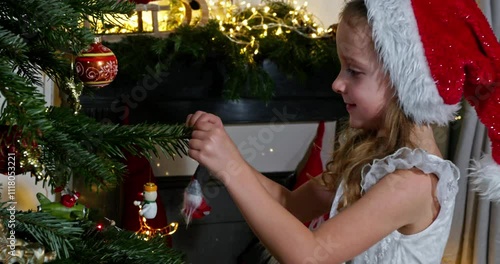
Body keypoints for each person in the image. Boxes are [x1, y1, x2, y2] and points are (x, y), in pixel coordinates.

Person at [186, 0, 500, 263]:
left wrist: (232, 168)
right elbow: (289, 205)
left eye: (354, 70)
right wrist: (227, 155)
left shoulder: (413, 182)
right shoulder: (373, 159)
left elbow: (312, 255)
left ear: (403, 83)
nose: (337, 83)